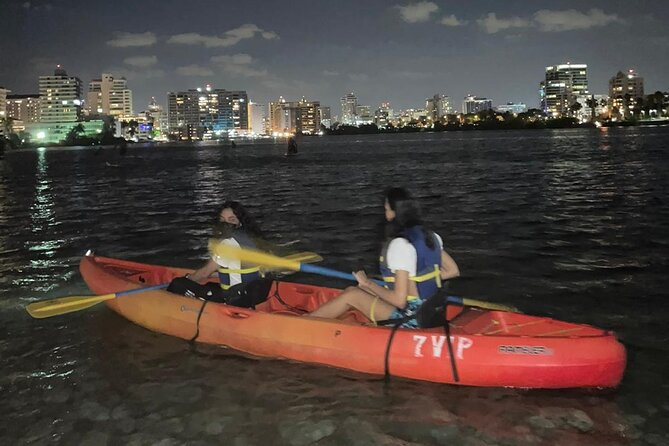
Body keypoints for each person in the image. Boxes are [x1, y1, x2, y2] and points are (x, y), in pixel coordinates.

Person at [308, 187, 460, 327]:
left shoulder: (400, 245)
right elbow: (453, 270)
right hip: (433, 311)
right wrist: (413, 281)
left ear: (394, 213)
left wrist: (368, 283)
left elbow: (399, 301)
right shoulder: (431, 237)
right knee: (356, 290)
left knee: (352, 294)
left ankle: (302, 326)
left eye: (386, 208)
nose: (385, 213)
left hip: (412, 318)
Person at [167, 201, 273, 308]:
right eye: (222, 219)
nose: (225, 224)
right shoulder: (254, 239)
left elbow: (204, 273)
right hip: (252, 295)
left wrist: (188, 278)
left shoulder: (227, 244)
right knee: (209, 285)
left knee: (177, 284)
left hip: (235, 299)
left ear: (240, 222)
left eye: (231, 220)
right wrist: (213, 275)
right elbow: (239, 270)